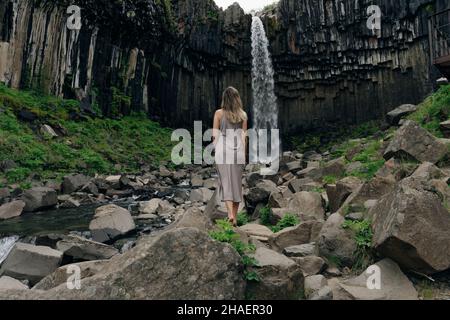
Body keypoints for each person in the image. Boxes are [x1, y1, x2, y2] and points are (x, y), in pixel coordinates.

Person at [213, 87, 248, 227]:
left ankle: (230, 215)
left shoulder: (218, 113)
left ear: (224, 98)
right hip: (238, 150)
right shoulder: (243, 115)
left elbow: (215, 136)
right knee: (237, 184)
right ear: (237, 98)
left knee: (225, 182)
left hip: (223, 150)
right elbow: (243, 136)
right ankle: (235, 217)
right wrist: (244, 155)